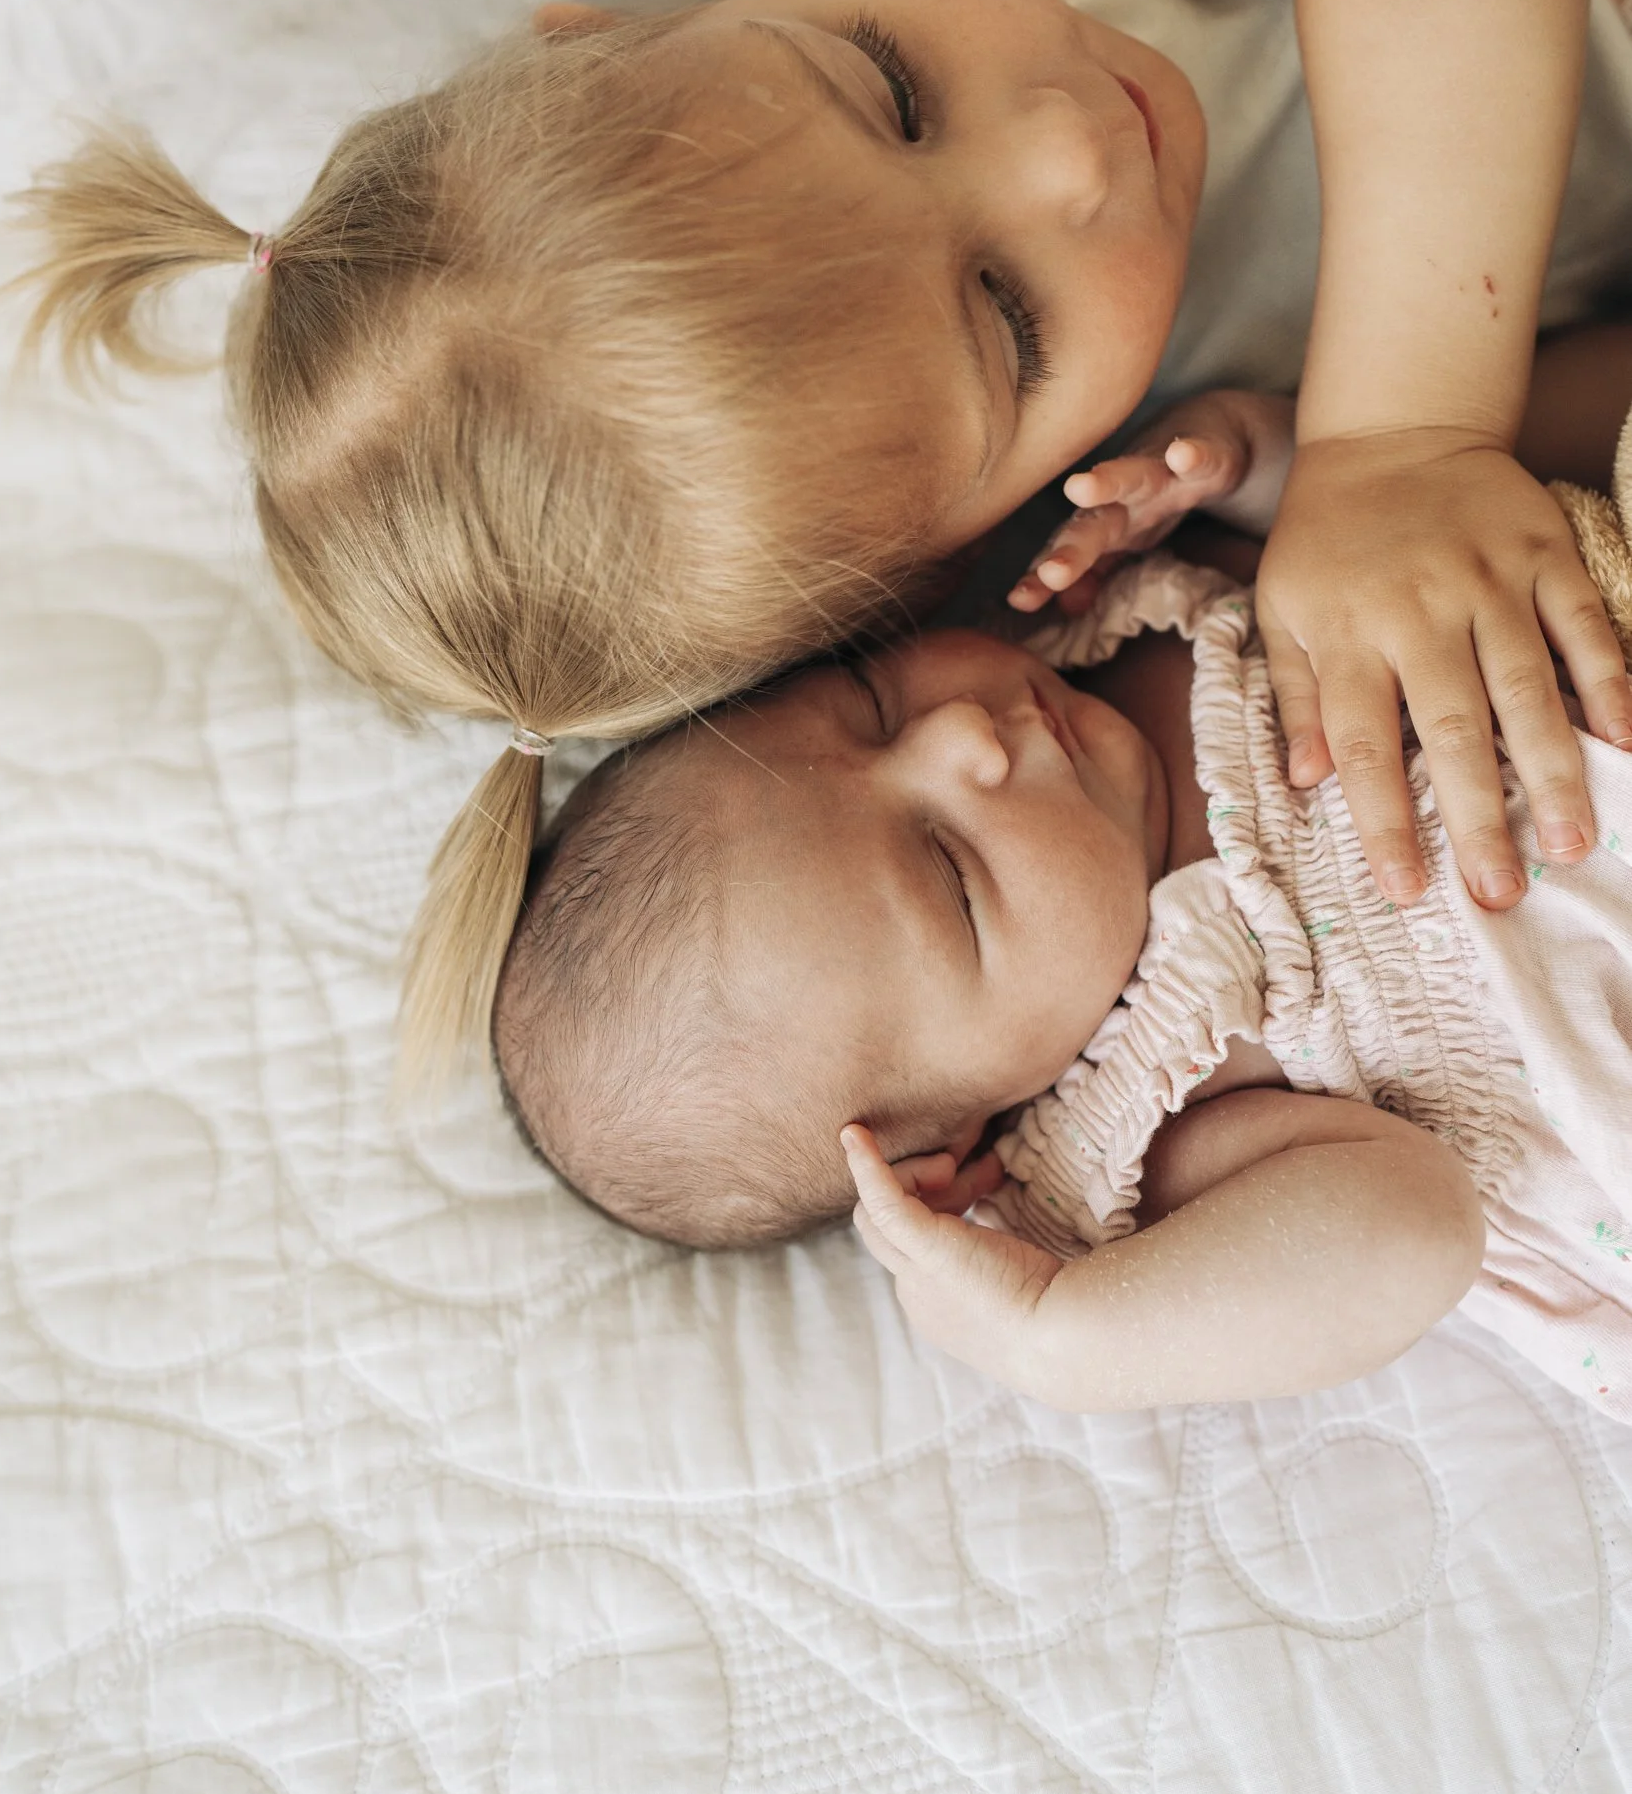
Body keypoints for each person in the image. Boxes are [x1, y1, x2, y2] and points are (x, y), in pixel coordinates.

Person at [18, 0, 1632, 1083]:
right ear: (925, 568)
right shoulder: (1117, 504)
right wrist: (1297, 463)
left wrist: (1397, 439)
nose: (1067, 146)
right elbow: (1555, 423)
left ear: (619, 33)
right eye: (1005, 318)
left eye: (889, 84)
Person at [494, 328, 1632, 1418]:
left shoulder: (1113, 613)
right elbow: (1414, 1232)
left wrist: (1247, 458)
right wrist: (1059, 1331)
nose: (961, 743)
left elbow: (1381, 507)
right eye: (946, 870)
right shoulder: (1147, 1123)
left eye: (868, 705)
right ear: (946, 1164)